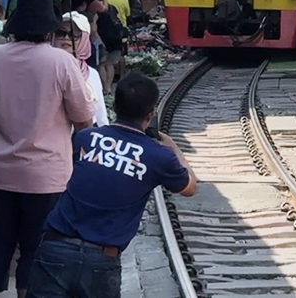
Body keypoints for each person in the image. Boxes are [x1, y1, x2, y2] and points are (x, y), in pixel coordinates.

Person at [0, 0, 96, 298]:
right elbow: (84, 119)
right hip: (46, 177)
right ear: (49, 28)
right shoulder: (62, 62)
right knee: (36, 254)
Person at [26, 73, 196, 298]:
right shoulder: (159, 156)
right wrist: (172, 145)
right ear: (150, 114)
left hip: (55, 248)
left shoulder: (85, 138)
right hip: (102, 259)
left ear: (114, 107)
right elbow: (189, 187)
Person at [53, 12, 109, 127]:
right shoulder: (46, 69)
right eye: (61, 33)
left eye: (74, 35)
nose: (66, 38)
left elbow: (101, 116)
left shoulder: (92, 74)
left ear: (84, 39)